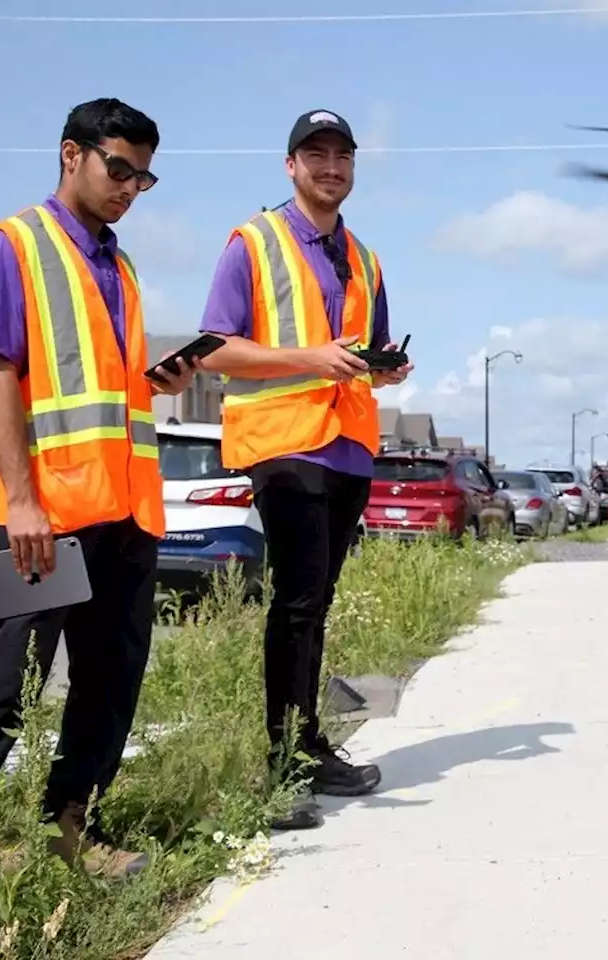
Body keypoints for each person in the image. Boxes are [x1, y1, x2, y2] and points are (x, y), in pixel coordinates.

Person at [0, 98, 198, 909]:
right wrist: (20, 500)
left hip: (127, 511)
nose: (132, 187)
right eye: (118, 168)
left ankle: (74, 829)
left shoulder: (121, 264)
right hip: (49, 514)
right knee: (3, 678)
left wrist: (160, 382)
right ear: (72, 154)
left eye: (145, 175)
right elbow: (0, 372)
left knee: (109, 680)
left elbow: (101, 387)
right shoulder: (16, 244)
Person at [197, 109, 412, 831]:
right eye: (314, 154)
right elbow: (214, 349)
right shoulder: (251, 243)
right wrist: (309, 359)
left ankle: (310, 745)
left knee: (315, 602)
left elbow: (362, 353)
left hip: (347, 447)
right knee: (294, 601)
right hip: (282, 446)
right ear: (290, 165)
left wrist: (387, 369)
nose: (330, 166)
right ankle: (283, 762)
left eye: (342, 155)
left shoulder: (367, 257)